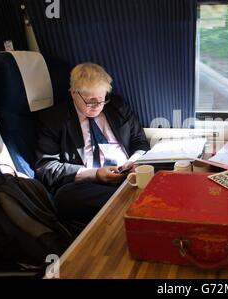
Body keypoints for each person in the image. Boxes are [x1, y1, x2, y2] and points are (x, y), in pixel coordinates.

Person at [35, 63, 150, 223]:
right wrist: (95, 174)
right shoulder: (54, 119)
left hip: (128, 174)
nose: (98, 106)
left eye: (102, 99)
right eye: (91, 101)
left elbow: (140, 142)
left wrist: (134, 161)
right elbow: (47, 168)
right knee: (65, 197)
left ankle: (132, 206)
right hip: (90, 185)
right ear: (74, 93)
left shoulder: (117, 106)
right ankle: (137, 205)